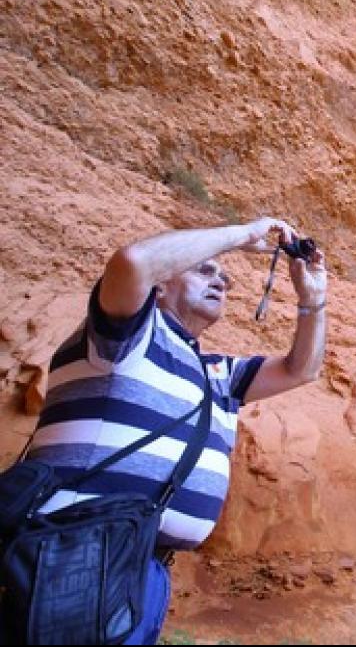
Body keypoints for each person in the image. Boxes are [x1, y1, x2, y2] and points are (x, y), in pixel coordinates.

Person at [23, 217, 328, 644]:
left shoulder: (217, 373)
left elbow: (302, 369)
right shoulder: (127, 336)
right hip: (75, 552)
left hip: (145, 569)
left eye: (225, 277)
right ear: (160, 286)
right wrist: (243, 235)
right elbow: (132, 262)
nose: (221, 280)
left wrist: (313, 300)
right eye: (205, 270)